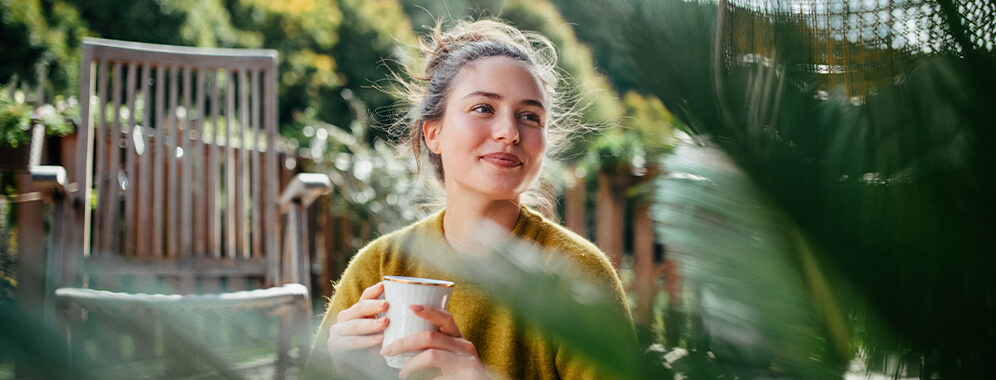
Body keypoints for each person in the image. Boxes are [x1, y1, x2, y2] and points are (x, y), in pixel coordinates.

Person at [303, 18, 634, 380]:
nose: (509, 132)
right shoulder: (379, 267)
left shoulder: (578, 275)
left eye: (530, 116)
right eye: (483, 108)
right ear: (434, 134)